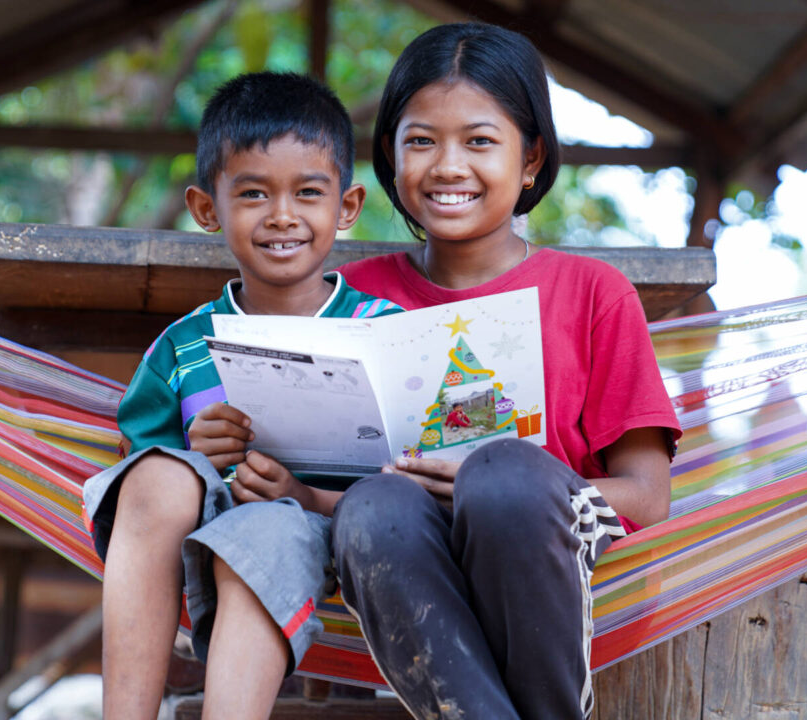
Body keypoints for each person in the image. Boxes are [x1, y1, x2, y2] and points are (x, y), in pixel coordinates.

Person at [330, 23, 682, 720]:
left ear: (531, 161)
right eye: (421, 140)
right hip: (406, 571)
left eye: (480, 141)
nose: (448, 166)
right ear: (391, 157)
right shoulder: (347, 297)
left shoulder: (592, 293)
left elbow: (648, 497)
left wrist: (485, 482)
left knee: (503, 474)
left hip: (562, 574)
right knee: (374, 504)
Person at [82, 71, 403, 720]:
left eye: (308, 193)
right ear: (208, 209)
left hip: (343, 532)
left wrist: (305, 496)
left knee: (266, 530)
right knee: (160, 478)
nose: (282, 215)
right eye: (253, 193)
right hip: (208, 530)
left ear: (345, 209)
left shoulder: (387, 334)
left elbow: (421, 480)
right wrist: (189, 453)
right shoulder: (182, 346)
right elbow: (138, 466)